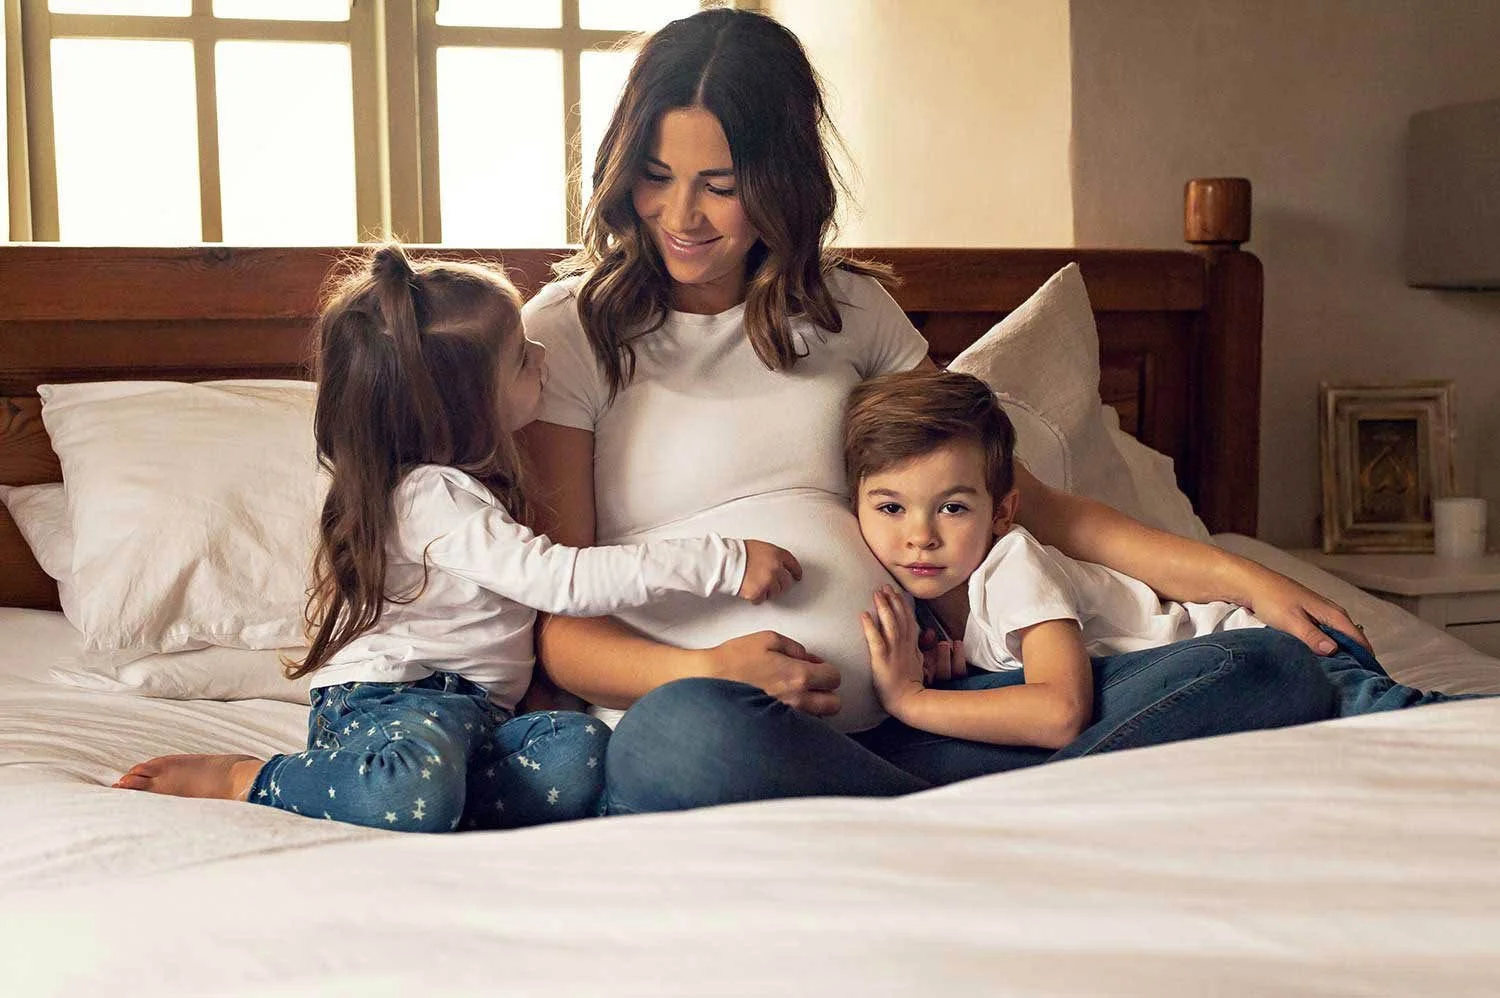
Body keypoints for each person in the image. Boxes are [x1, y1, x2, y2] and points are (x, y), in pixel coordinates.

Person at [519, 8, 1353, 815]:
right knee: (681, 740)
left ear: (779, 183)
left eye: (720, 186)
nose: (679, 215)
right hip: (729, 730)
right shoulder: (570, 334)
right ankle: (988, 811)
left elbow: (1039, 509)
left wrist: (1250, 580)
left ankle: (924, 814)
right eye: (655, 177)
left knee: (1267, 668)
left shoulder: (851, 311)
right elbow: (559, 628)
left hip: (924, 721)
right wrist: (708, 668)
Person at [112, 244, 802, 832]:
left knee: (582, 750)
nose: (541, 355)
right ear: (464, 405)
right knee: (415, 786)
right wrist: (719, 560)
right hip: (393, 706)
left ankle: (436, 806)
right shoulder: (427, 497)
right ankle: (249, 780)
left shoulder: (473, 489)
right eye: (519, 359)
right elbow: (559, 580)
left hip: (474, 719)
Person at [847, 370, 1479, 749]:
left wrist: (910, 701)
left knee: (1454, 736)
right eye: (890, 508)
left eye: (953, 509)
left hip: (1265, 651)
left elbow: (1059, 711)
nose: (921, 537)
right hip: (1214, 690)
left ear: (1003, 512)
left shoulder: (1013, 566)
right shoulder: (927, 606)